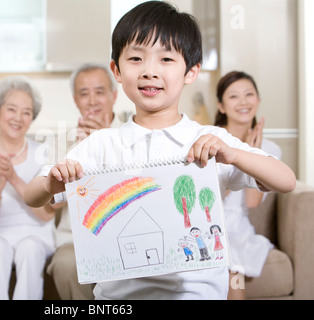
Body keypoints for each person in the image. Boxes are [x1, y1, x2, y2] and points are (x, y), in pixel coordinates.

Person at [24, 1, 295, 300]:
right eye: (136, 58)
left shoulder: (210, 139)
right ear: (116, 69)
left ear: (190, 71)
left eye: (166, 59)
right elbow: (32, 196)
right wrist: (52, 181)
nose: (150, 71)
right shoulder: (101, 144)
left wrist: (234, 155)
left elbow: (285, 181)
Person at [0, 76, 56, 299]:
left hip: (37, 233)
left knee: (30, 248)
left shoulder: (43, 154)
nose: (18, 118)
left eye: (26, 112)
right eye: (11, 109)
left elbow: (46, 215)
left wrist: (14, 179)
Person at [46, 63, 121, 300]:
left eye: (99, 92)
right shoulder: (59, 142)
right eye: (84, 93)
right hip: (75, 242)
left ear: (114, 95)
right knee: (67, 265)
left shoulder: (131, 137)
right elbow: (51, 204)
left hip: (122, 235)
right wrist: (80, 150)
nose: (92, 101)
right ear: (75, 99)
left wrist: (104, 144)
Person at [214, 71, 281, 300]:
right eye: (233, 96)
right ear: (221, 106)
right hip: (209, 220)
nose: (243, 102)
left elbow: (252, 201)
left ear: (258, 101)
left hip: (236, 229)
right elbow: (212, 194)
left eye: (249, 94)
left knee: (234, 263)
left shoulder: (269, 149)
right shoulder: (209, 141)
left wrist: (255, 154)